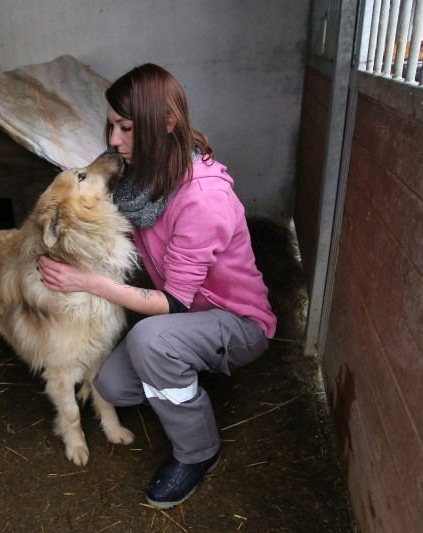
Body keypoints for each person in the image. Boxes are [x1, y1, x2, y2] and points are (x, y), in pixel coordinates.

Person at [37, 63, 276, 508]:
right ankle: (184, 373)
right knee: (111, 386)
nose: (112, 140)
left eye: (126, 127)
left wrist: (88, 281)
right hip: (190, 318)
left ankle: (197, 452)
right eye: (111, 126)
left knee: (151, 340)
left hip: (235, 322)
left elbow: (175, 303)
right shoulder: (141, 182)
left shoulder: (203, 199)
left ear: (166, 123)